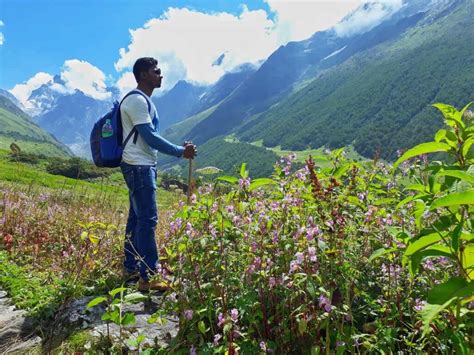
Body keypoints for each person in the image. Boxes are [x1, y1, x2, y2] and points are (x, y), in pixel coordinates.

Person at [120, 57, 197, 292]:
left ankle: (131, 266)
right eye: (156, 71)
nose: (161, 75)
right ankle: (150, 275)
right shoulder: (136, 101)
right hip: (139, 166)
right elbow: (149, 136)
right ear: (144, 75)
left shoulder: (144, 101)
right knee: (148, 220)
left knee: (137, 219)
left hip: (141, 165)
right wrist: (179, 152)